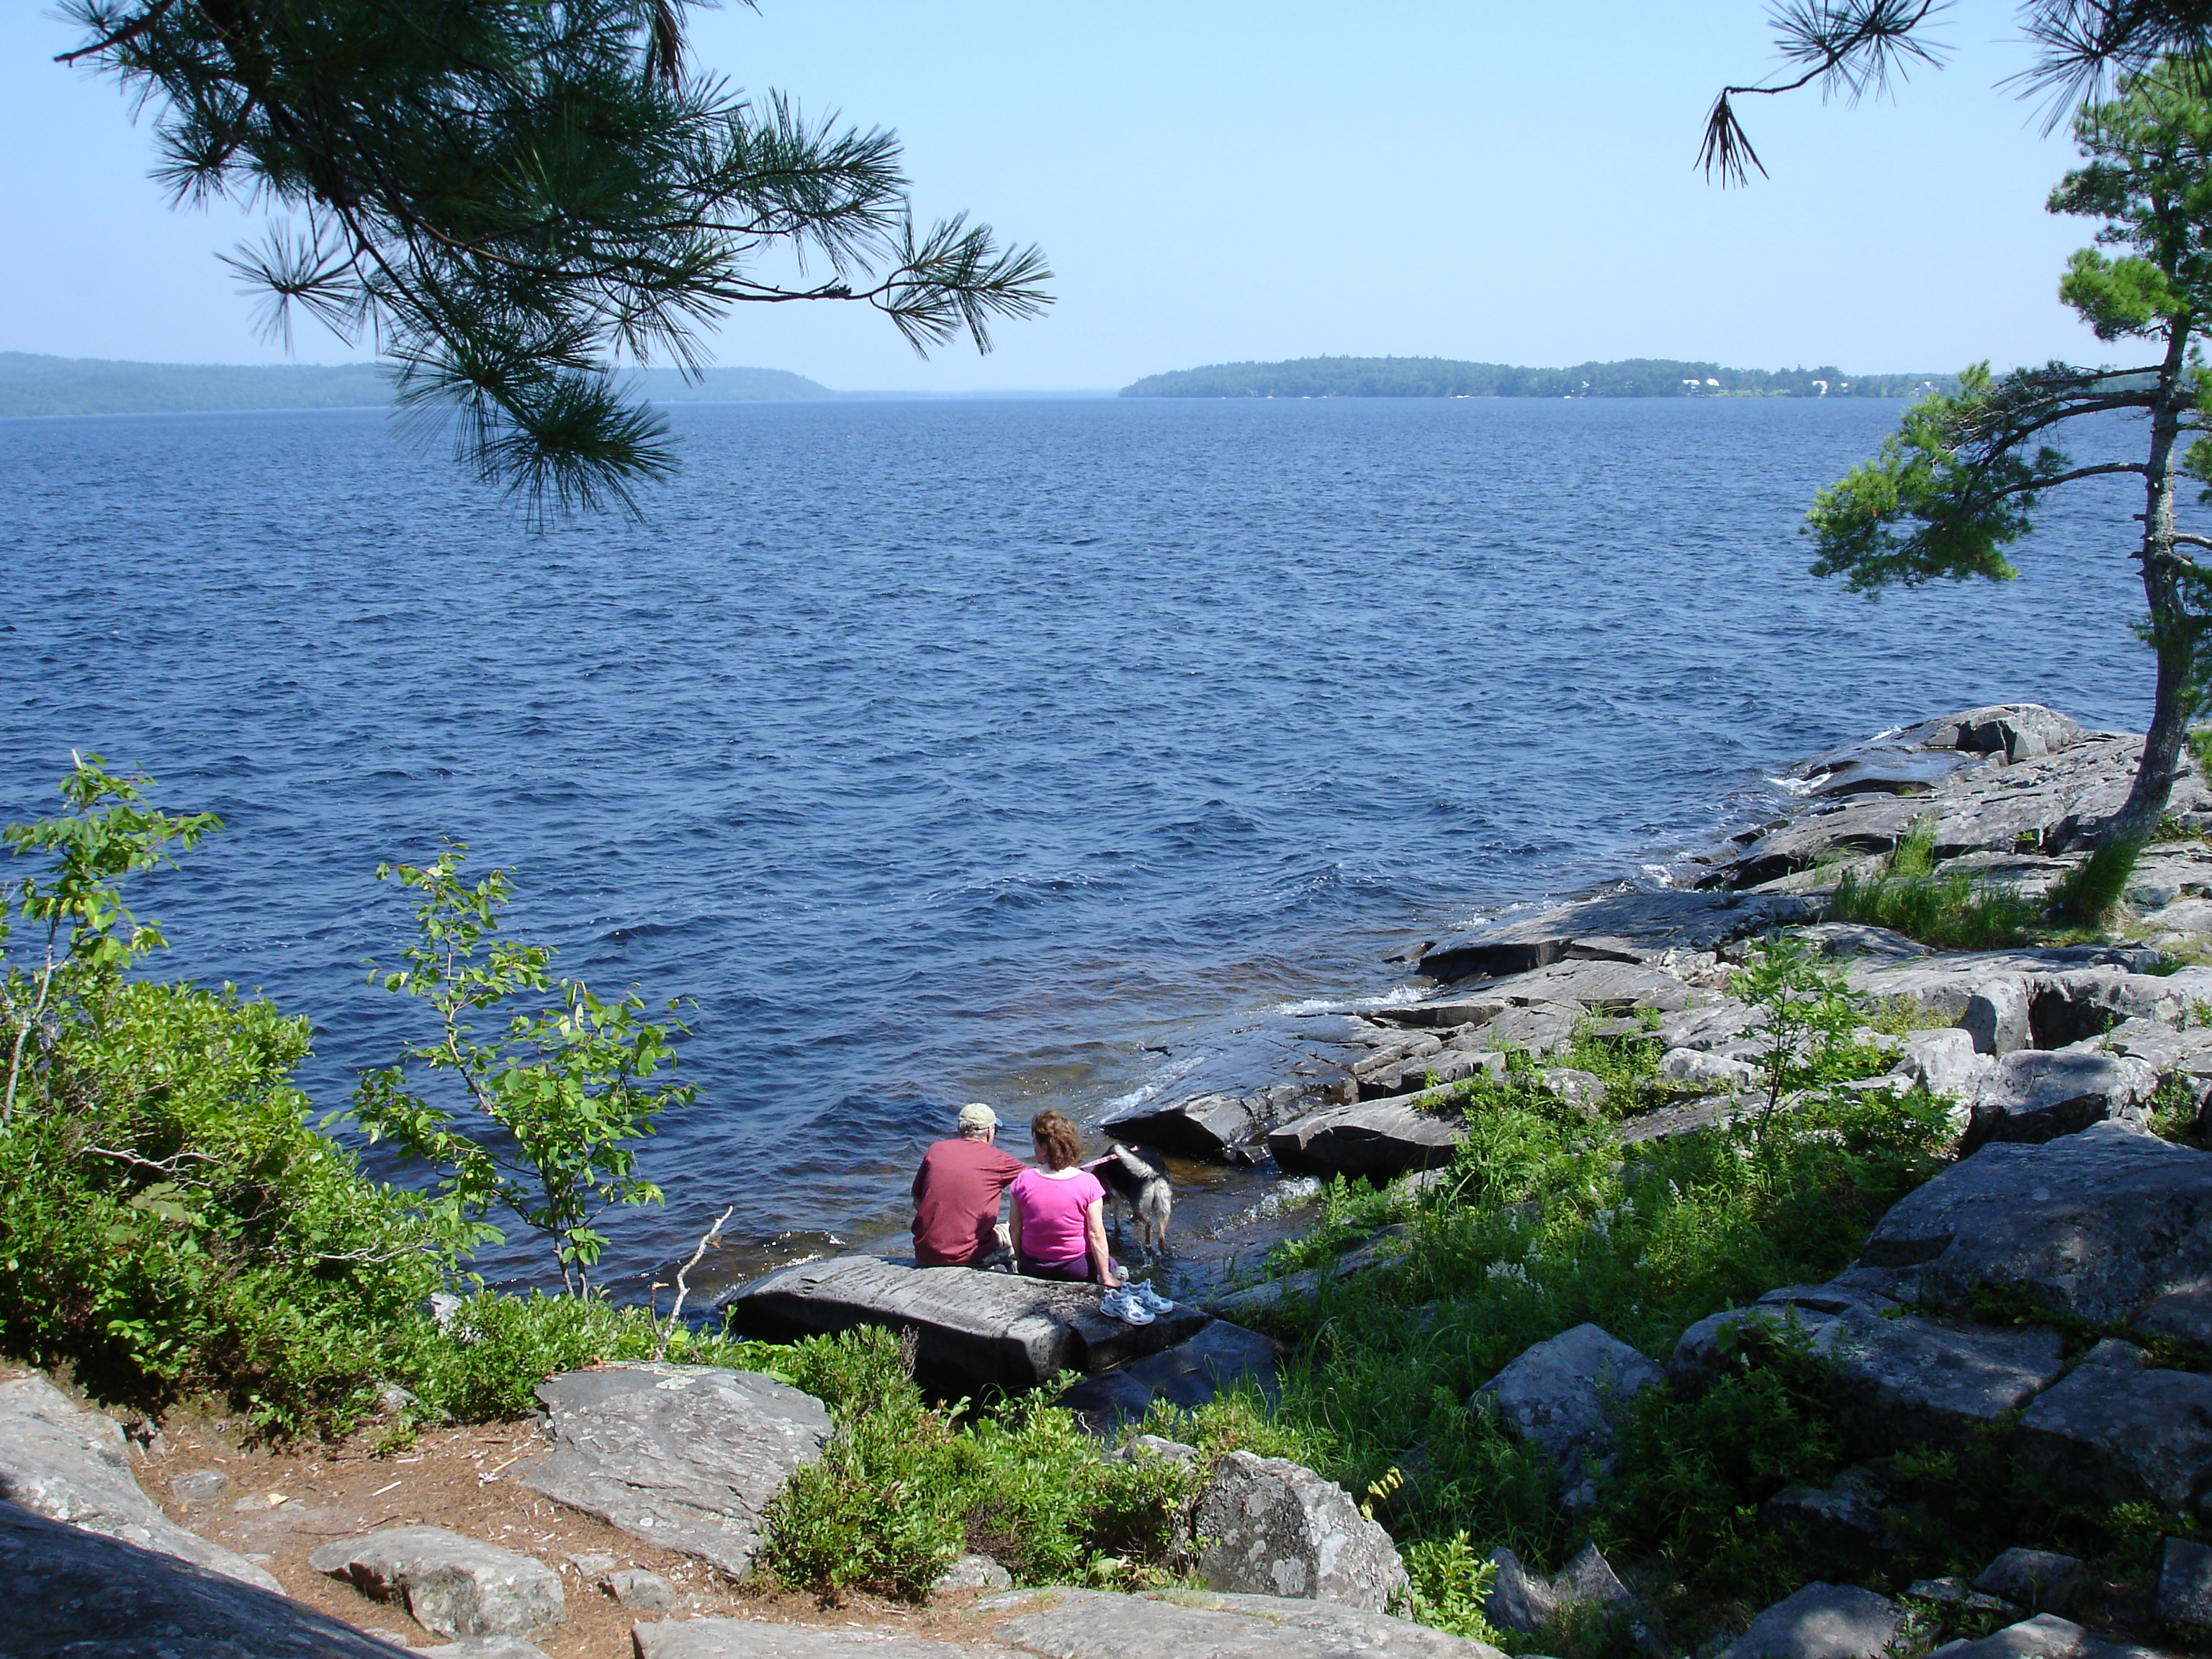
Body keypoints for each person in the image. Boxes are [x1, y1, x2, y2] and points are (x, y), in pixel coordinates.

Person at [1008, 1110, 1124, 1287]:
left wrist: (1021, 1261)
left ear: (1045, 1148)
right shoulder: (1088, 1183)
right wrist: (1105, 1277)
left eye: (1035, 1145)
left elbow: (1015, 1227)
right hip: (1077, 1268)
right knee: (1112, 1263)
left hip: (1035, 1265)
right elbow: (1096, 1234)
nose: (1034, 1149)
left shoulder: (1022, 1180)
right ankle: (1113, 1275)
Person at [910, 1102, 1024, 1269]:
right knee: (1012, 1232)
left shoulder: (936, 1150)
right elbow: (1039, 1182)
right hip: (969, 1255)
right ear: (990, 1132)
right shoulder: (998, 1159)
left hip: (925, 1253)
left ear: (960, 1130)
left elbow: (917, 1201)